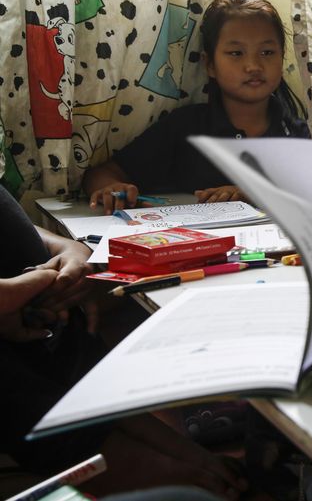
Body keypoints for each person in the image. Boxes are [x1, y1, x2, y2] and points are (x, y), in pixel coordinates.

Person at [0, 185, 248, 499]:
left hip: (29, 304)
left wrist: (68, 251)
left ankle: (133, 432)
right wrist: (20, 289)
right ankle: (99, 455)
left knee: (70, 328)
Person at [83, 0, 311, 214]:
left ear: (282, 59)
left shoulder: (293, 132)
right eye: (236, 53)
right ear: (209, 64)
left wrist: (251, 195)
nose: (253, 65)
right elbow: (105, 173)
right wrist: (110, 188)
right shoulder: (186, 127)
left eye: (267, 52)